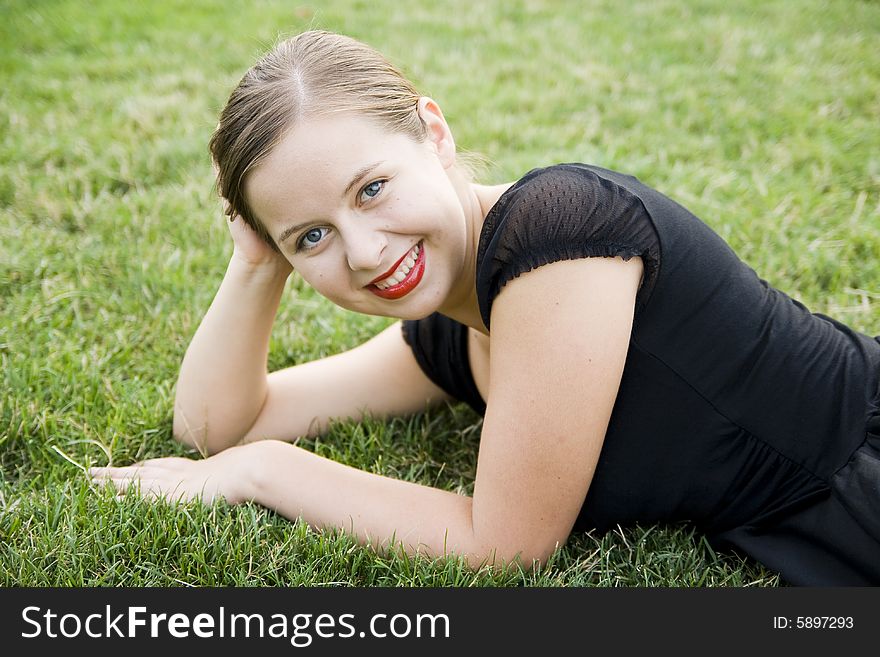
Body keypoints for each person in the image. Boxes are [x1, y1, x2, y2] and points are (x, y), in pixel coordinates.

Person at [89, 30, 880, 586]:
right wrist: (255, 261)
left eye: (371, 188)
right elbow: (213, 426)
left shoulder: (558, 232)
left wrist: (262, 472)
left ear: (433, 132)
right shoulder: (451, 327)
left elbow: (506, 546)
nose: (363, 252)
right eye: (314, 235)